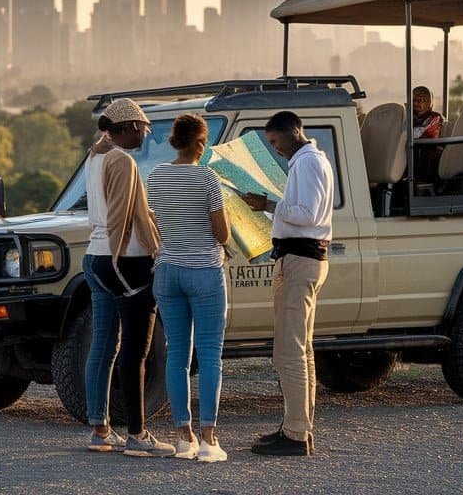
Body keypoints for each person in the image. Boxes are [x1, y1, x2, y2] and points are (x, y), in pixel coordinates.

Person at [81, 97, 175, 457]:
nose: (146, 136)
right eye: (144, 129)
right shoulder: (122, 160)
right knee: (137, 349)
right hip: (124, 261)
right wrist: (132, 263)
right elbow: (121, 217)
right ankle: (138, 434)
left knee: (104, 347)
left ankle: (100, 430)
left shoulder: (95, 155)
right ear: (129, 127)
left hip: (94, 257)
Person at [242, 111, 333, 457]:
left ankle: (296, 435)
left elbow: (306, 215)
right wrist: (268, 209)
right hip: (304, 258)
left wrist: (269, 204)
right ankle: (297, 427)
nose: (275, 150)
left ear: (292, 132)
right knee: (302, 351)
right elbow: (298, 213)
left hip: (299, 260)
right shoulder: (312, 160)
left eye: (275, 142)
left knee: (289, 352)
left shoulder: (307, 162)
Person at [147, 114, 230, 462]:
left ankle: (184, 436)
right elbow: (222, 234)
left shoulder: (155, 177)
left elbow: (156, 223)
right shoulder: (208, 179)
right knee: (210, 355)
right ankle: (209, 439)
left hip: (167, 271)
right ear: (200, 142)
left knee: (177, 355)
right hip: (205, 272)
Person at [412, 86, 445, 182]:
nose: (418, 103)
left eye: (423, 100)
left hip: (428, 151)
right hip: (412, 150)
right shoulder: (408, 117)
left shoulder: (435, 117)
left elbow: (417, 133)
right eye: (415, 100)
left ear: (429, 102)